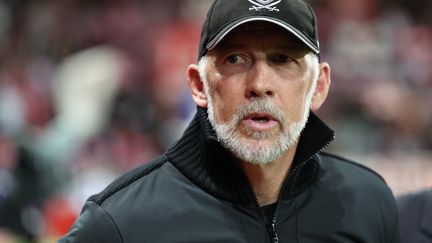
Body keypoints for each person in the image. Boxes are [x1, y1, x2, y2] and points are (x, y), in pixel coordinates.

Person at [59, 0, 400, 242]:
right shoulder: (120, 222)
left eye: (283, 59)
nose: (260, 84)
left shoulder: (368, 202)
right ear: (198, 86)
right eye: (236, 58)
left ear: (319, 86)